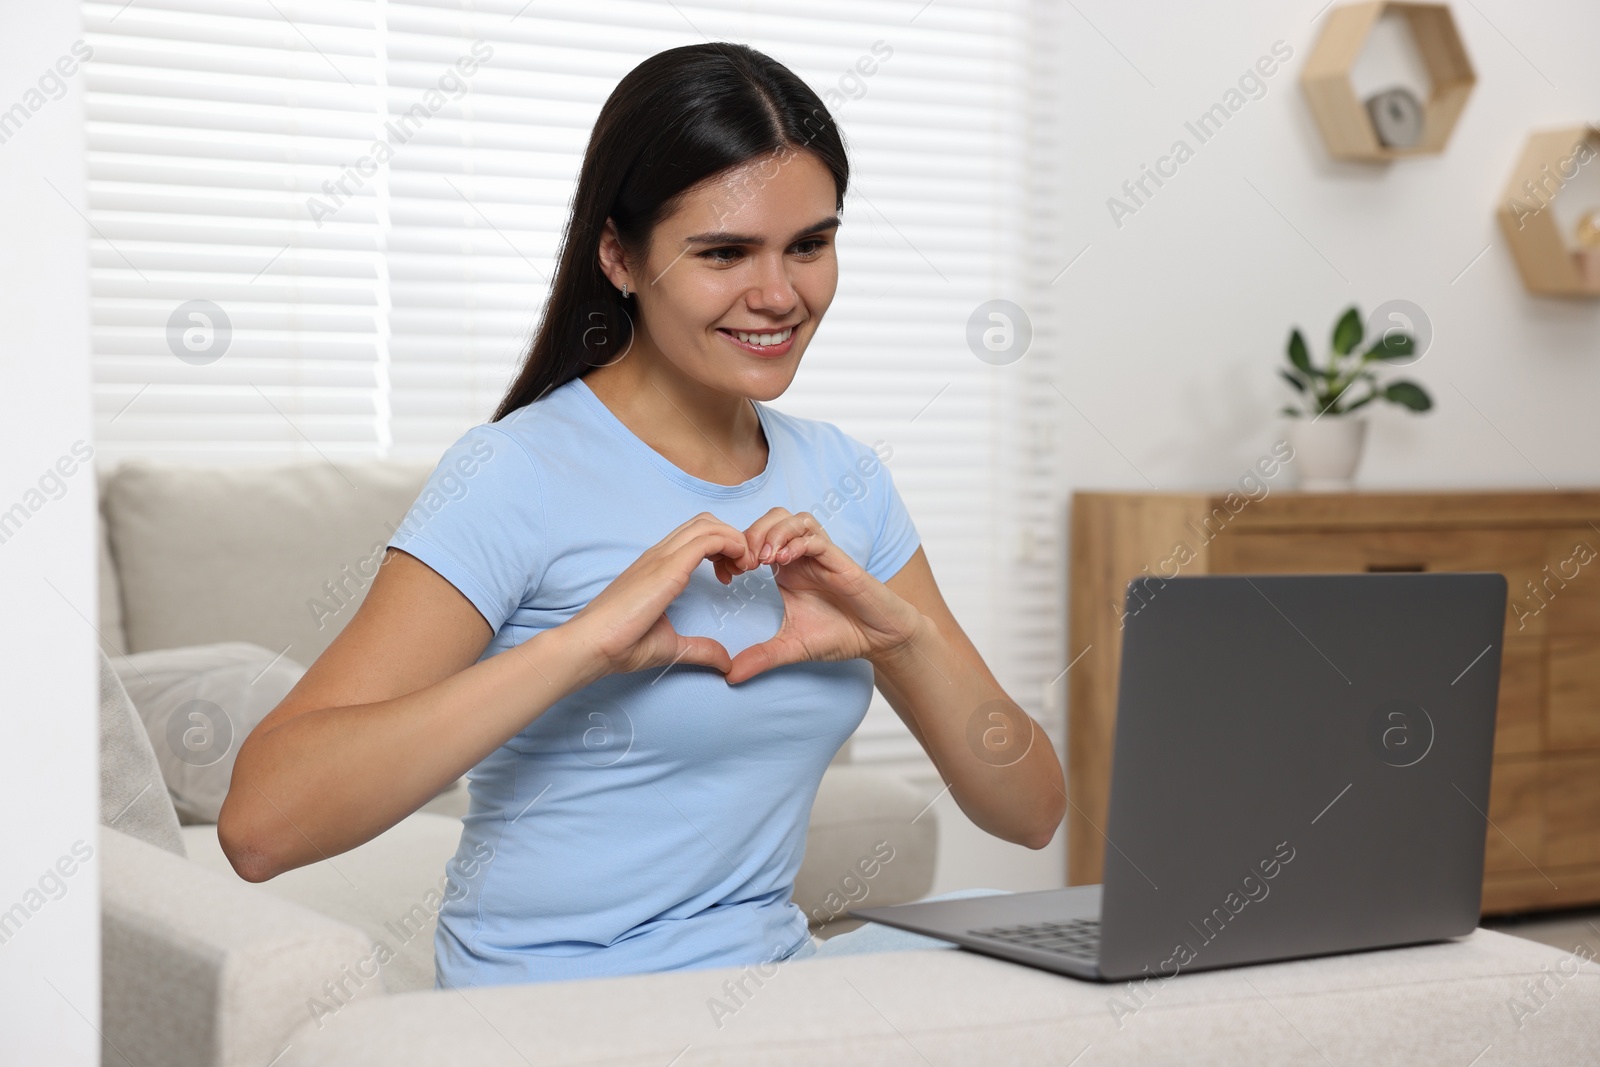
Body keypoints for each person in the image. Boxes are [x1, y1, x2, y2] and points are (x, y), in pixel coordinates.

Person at [219, 41, 1064, 990]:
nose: (779, 295)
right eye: (722, 253)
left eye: (810, 245)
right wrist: (584, 644)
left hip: (769, 986)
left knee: (1079, 965)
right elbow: (261, 823)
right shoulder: (514, 474)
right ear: (618, 255)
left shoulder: (845, 479)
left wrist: (901, 638)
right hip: (560, 1008)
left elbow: (1030, 811)